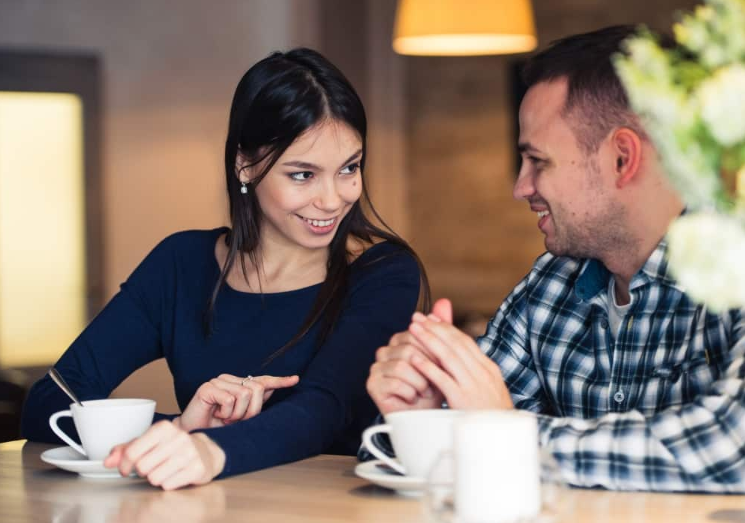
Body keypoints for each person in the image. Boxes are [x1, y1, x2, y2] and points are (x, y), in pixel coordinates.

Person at [22, 47, 429, 490]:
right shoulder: (182, 264)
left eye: (349, 168)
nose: (332, 200)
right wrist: (181, 429)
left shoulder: (382, 271)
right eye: (303, 175)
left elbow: (324, 412)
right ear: (245, 166)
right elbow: (50, 400)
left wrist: (209, 448)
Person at [365, 26, 745, 493]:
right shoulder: (549, 286)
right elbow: (434, 435)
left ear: (622, 159)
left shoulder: (734, 270)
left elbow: (732, 449)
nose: (520, 187)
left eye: (537, 161)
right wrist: (419, 418)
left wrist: (505, 437)